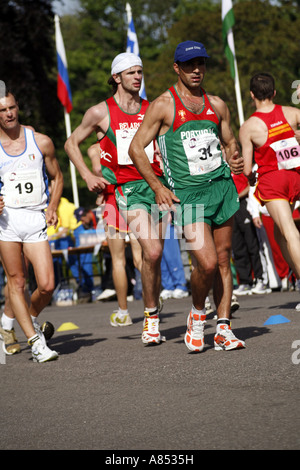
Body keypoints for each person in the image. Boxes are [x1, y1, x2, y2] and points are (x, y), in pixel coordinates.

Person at [129, 40, 245, 352]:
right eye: (190, 65)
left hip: (221, 188)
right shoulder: (163, 105)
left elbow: (230, 141)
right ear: (177, 68)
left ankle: (223, 327)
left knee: (223, 259)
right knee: (206, 263)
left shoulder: (217, 104)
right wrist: (157, 187)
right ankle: (196, 314)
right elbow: (136, 148)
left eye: (201, 64)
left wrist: (235, 158)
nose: (197, 70)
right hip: (189, 196)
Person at [64, 53, 168, 343]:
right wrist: (86, 175)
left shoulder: (153, 108)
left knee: (152, 255)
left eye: (140, 71)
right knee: (149, 252)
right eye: (131, 72)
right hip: (125, 190)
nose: (137, 76)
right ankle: (143, 315)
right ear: (116, 78)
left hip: (155, 187)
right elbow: (71, 143)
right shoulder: (101, 112)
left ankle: (152, 305)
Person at [0, 88, 63, 362]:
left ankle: (21, 321)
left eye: (11, 107)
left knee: (47, 285)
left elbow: (57, 177)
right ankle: (36, 343)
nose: (9, 113)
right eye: (2, 111)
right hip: (7, 222)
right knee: (17, 281)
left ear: (17, 106)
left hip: (35, 218)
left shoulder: (41, 141)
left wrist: (52, 207)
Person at [239, 72, 300, 309]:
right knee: (279, 235)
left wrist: (249, 175)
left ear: (252, 95)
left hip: (273, 181)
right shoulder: (292, 113)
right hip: (295, 178)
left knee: (288, 231)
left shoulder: (248, 127)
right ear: (274, 93)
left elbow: (245, 169)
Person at [87, 143, 142, 325]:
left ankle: (123, 312)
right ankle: (153, 299)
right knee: (140, 258)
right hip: (134, 195)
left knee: (118, 260)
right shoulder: (126, 137)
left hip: (113, 199)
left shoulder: (95, 149)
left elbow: (97, 170)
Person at [231, 172, 271, 295]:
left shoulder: (240, 168)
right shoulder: (223, 169)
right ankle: (245, 282)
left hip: (244, 204)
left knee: (252, 245)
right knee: (237, 246)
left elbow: (251, 185)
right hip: (231, 208)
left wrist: (238, 196)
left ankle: (261, 280)